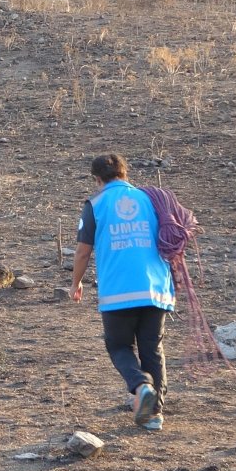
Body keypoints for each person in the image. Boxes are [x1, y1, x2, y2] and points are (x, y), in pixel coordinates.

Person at [71, 154, 175, 431]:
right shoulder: (151, 199)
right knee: (152, 348)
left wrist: (76, 283)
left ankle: (141, 388)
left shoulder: (95, 204)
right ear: (125, 174)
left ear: (97, 179)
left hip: (118, 290)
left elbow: (83, 251)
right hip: (155, 288)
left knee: (118, 345)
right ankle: (154, 415)